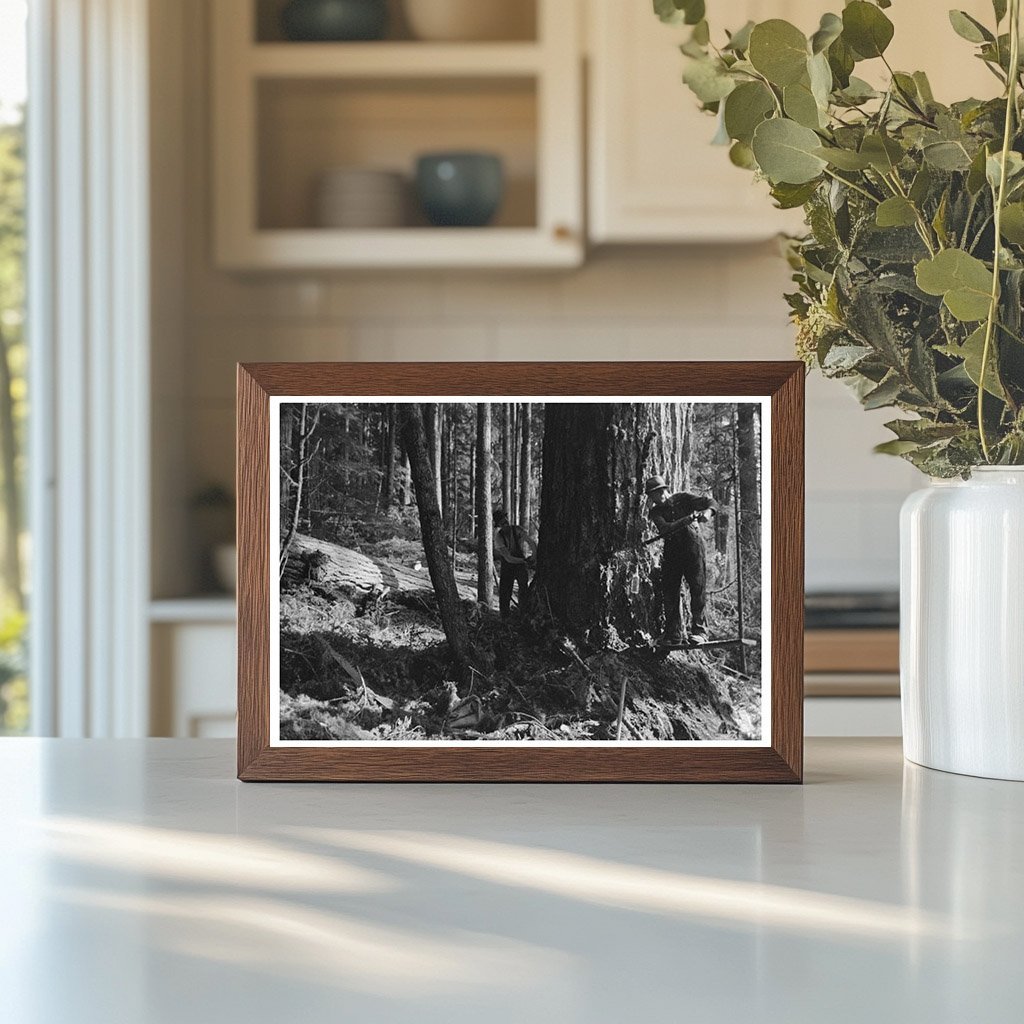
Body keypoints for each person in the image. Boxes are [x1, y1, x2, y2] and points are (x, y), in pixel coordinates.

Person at [645, 475, 716, 645]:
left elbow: (711, 502)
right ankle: (673, 634)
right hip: (672, 553)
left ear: (665, 489)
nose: (658, 496)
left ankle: (700, 632)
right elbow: (665, 529)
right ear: (650, 497)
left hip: (694, 549)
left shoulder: (684, 499)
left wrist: (707, 513)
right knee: (670, 591)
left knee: (697, 588)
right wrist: (688, 519)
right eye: (653, 494)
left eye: (660, 491)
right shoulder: (656, 512)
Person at [493, 509, 536, 619]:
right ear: (499, 525)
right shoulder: (499, 537)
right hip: (508, 565)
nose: (506, 524)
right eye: (502, 523)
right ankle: (505, 617)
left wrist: (534, 555)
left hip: (520, 564)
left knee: (523, 590)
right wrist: (524, 561)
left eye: (506, 521)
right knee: (505, 593)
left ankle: (523, 614)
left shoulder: (517, 530)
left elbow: (531, 542)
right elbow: (508, 557)